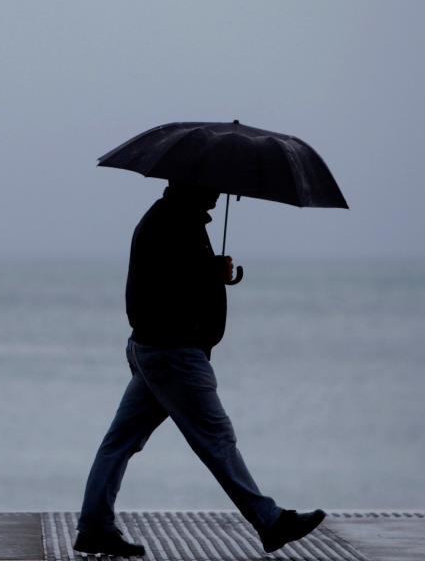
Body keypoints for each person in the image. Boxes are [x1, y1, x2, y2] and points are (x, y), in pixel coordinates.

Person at [73, 182, 325, 557]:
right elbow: (172, 282)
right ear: (193, 185)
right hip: (174, 353)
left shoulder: (171, 219)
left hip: (155, 350)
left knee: (121, 441)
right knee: (217, 439)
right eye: (213, 187)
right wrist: (212, 272)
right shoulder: (173, 223)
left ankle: (94, 526)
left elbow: (173, 278)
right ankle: (269, 521)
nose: (219, 194)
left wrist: (212, 272)